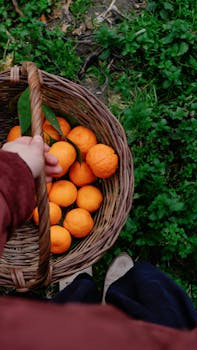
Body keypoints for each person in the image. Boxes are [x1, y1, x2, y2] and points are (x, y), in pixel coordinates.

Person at [0, 135, 197, 349]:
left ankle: (83, 292)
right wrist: (13, 174)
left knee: (69, 308)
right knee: (152, 301)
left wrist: (15, 174)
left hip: (34, 334)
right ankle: (122, 292)